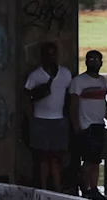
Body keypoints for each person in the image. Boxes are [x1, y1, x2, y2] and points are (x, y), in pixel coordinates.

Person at [23, 42, 72, 191]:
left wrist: (68, 117)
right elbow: (26, 97)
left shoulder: (65, 74)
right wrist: (30, 119)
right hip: (40, 120)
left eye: (53, 54)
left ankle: (56, 187)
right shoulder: (35, 75)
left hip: (59, 120)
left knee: (57, 157)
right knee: (43, 157)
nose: (51, 58)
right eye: (48, 54)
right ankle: (43, 187)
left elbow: (69, 97)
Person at [68, 49, 107, 200]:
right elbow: (73, 105)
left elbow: (103, 102)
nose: (94, 62)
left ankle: (93, 188)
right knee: (88, 160)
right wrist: (76, 125)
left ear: (101, 63)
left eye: (97, 60)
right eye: (91, 59)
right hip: (86, 125)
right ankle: (84, 187)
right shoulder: (78, 82)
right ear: (86, 62)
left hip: (99, 124)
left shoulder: (102, 81)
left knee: (96, 160)